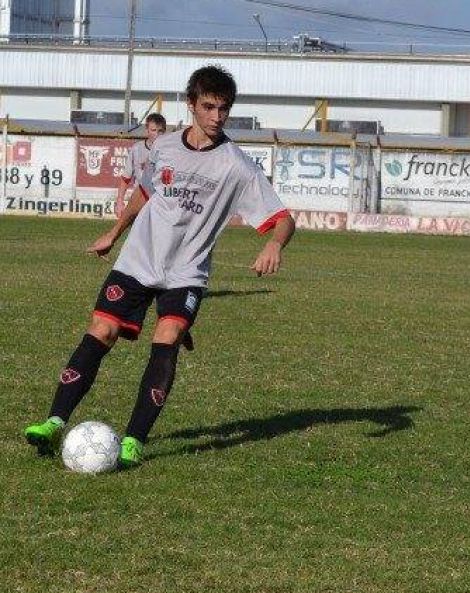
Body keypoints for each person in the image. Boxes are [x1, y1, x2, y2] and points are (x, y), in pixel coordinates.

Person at [24, 65, 296, 468]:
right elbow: (146, 192)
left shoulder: (238, 166)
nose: (217, 116)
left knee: (167, 336)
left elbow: (284, 219)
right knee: (102, 330)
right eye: (209, 107)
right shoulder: (164, 146)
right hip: (138, 260)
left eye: (224, 109)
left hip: (187, 271)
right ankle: (53, 421)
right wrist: (113, 233)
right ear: (191, 105)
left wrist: (274, 243)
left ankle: (134, 440)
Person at [115, 113, 167, 218]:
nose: (157, 134)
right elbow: (126, 178)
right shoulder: (137, 149)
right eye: (153, 130)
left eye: (160, 131)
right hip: (140, 201)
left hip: (160, 203)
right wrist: (119, 201)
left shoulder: (169, 152)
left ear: (164, 131)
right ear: (147, 130)